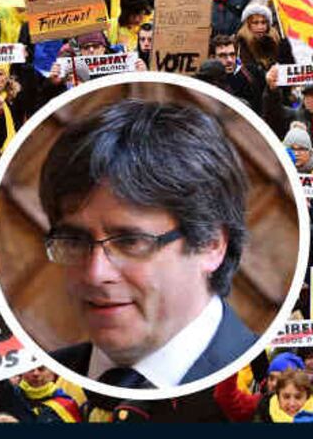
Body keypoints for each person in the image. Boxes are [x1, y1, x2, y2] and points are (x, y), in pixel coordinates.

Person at [38, 100, 254, 388]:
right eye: (75, 240)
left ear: (211, 245)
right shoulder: (49, 379)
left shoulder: (263, 380)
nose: (95, 274)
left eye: (130, 241)